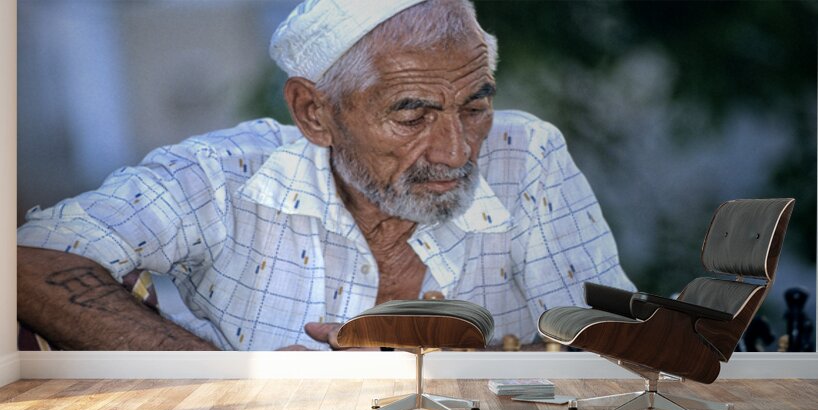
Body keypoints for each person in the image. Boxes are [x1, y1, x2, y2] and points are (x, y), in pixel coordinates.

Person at [16, 0, 636, 351]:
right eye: (411, 113)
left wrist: (456, 375)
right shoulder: (226, 177)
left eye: (474, 106)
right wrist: (238, 383)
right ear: (315, 112)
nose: (455, 151)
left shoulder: (524, 154)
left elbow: (611, 347)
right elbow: (26, 262)